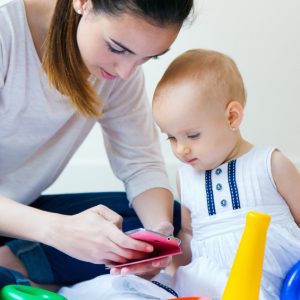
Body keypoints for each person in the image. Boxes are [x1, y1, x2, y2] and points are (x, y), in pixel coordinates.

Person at [59, 48, 300, 299]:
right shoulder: (187, 177)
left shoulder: (269, 163)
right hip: (207, 280)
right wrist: (163, 259)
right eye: (171, 138)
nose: (181, 149)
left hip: (268, 279)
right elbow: (188, 234)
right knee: (123, 288)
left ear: (232, 117)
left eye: (192, 135)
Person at [0, 0, 194, 291]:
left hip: (18, 213)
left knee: (173, 219)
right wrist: (56, 230)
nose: (127, 72)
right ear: (82, 3)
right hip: (21, 217)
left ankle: (15, 264)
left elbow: (141, 164)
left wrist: (157, 235)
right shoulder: (6, 33)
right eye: (117, 48)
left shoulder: (120, 73)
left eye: (149, 58)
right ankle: (20, 270)